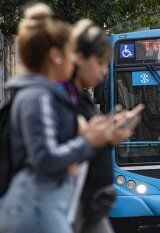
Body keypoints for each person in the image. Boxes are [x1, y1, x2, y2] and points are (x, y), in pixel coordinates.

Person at [0, 3, 114, 233]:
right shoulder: (39, 96)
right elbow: (45, 157)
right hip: (37, 209)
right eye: (71, 52)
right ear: (56, 57)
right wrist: (88, 141)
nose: (75, 61)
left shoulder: (39, 94)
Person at [56, 19, 144, 233]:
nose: (105, 71)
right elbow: (56, 156)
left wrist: (110, 135)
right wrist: (96, 139)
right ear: (80, 58)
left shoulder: (80, 98)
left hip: (90, 208)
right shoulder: (58, 98)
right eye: (100, 63)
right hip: (68, 209)